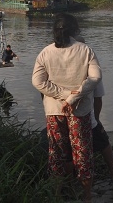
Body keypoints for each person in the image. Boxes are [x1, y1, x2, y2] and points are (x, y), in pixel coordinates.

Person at [32, 13, 102, 203]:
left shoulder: (45, 53)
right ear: (75, 30)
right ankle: (86, 197)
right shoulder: (86, 50)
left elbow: (37, 82)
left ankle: (57, 195)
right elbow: (95, 79)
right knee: (83, 153)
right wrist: (73, 97)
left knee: (57, 153)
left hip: (54, 111)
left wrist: (62, 95)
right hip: (79, 112)